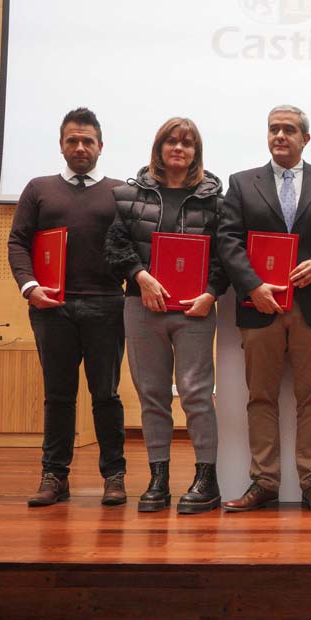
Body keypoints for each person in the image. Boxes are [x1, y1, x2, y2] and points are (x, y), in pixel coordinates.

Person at [218, 104, 311, 514]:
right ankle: (265, 481)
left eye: (289, 130)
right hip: (260, 307)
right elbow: (228, 240)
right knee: (260, 397)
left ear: (304, 138)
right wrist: (253, 286)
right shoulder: (241, 184)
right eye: (274, 129)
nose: (280, 136)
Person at [104, 117, 228, 514]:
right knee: (152, 396)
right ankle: (158, 479)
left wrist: (211, 294)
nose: (179, 148)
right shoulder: (129, 195)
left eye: (187, 143)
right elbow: (115, 248)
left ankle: (205, 480)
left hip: (195, 311)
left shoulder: (215, 201)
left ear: (196, 152)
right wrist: (141, 278)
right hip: (142, 307)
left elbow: (226, 254)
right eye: (171, 141)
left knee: (195, 395)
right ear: (158, 148)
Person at [8, 107, 127, 508]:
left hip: (107, 306)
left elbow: (132, 249)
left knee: (106, 395)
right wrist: (29, 286)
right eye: (72, 140)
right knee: (58, 396)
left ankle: (114, 476)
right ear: (61, 145)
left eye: (87, 141)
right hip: (50, 307)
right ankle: (54, 476)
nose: (80, 147)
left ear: (100, 146)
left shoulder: (120, 192)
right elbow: (18, 242)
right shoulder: (38, 188)